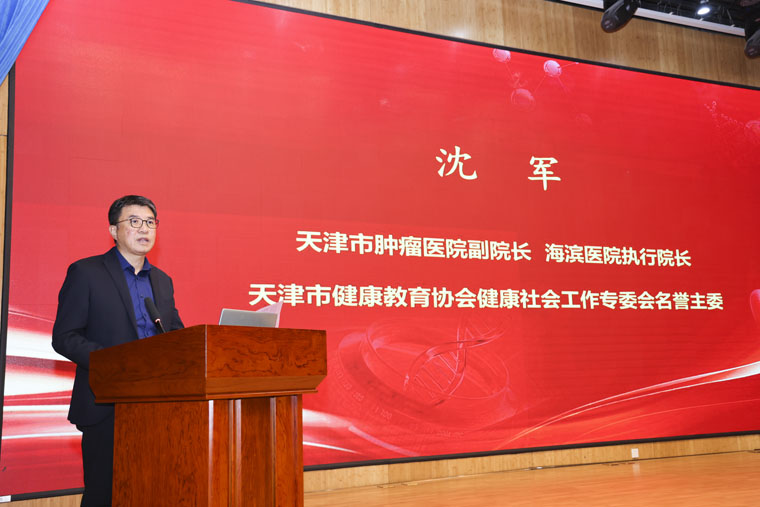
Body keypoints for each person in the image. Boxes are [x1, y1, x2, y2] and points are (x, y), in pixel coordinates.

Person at [52, 195, 184, 506]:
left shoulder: (162, 281)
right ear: (114, 230)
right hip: (107, 405)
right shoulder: (86, 272)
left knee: (151, 492)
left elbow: (176, 336)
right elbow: (65, 337)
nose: (144, 229)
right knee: (104, 495)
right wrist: (116, 363)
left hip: (157, 407)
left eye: (150, 222)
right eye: (134, 221)